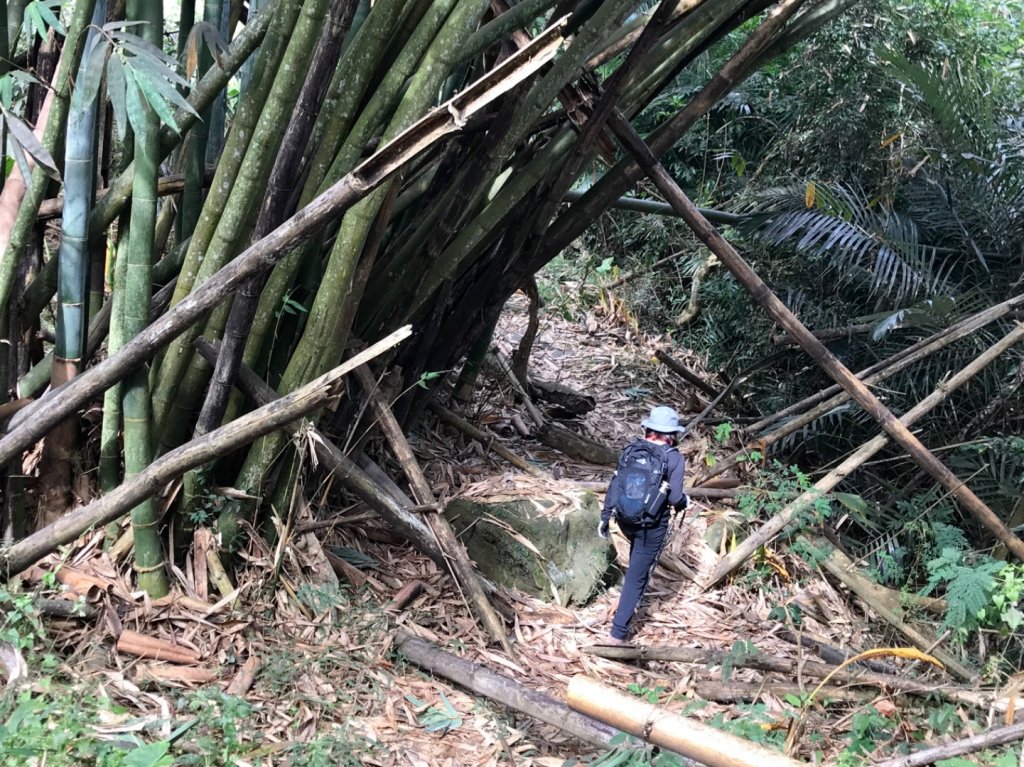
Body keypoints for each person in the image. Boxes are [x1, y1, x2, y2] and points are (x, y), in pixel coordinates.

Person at [598, 405, 688, 644]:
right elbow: (676, 498)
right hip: (651, 526)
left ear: (648, 428)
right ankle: (617, 635)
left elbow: (617, 483)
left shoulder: (632, 449)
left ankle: (626, 608)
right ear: (672, 433)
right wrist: (685, 502)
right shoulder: (674, 458)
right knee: (637, 577)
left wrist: (605, 516)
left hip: (625, 519)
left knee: (636, 564)